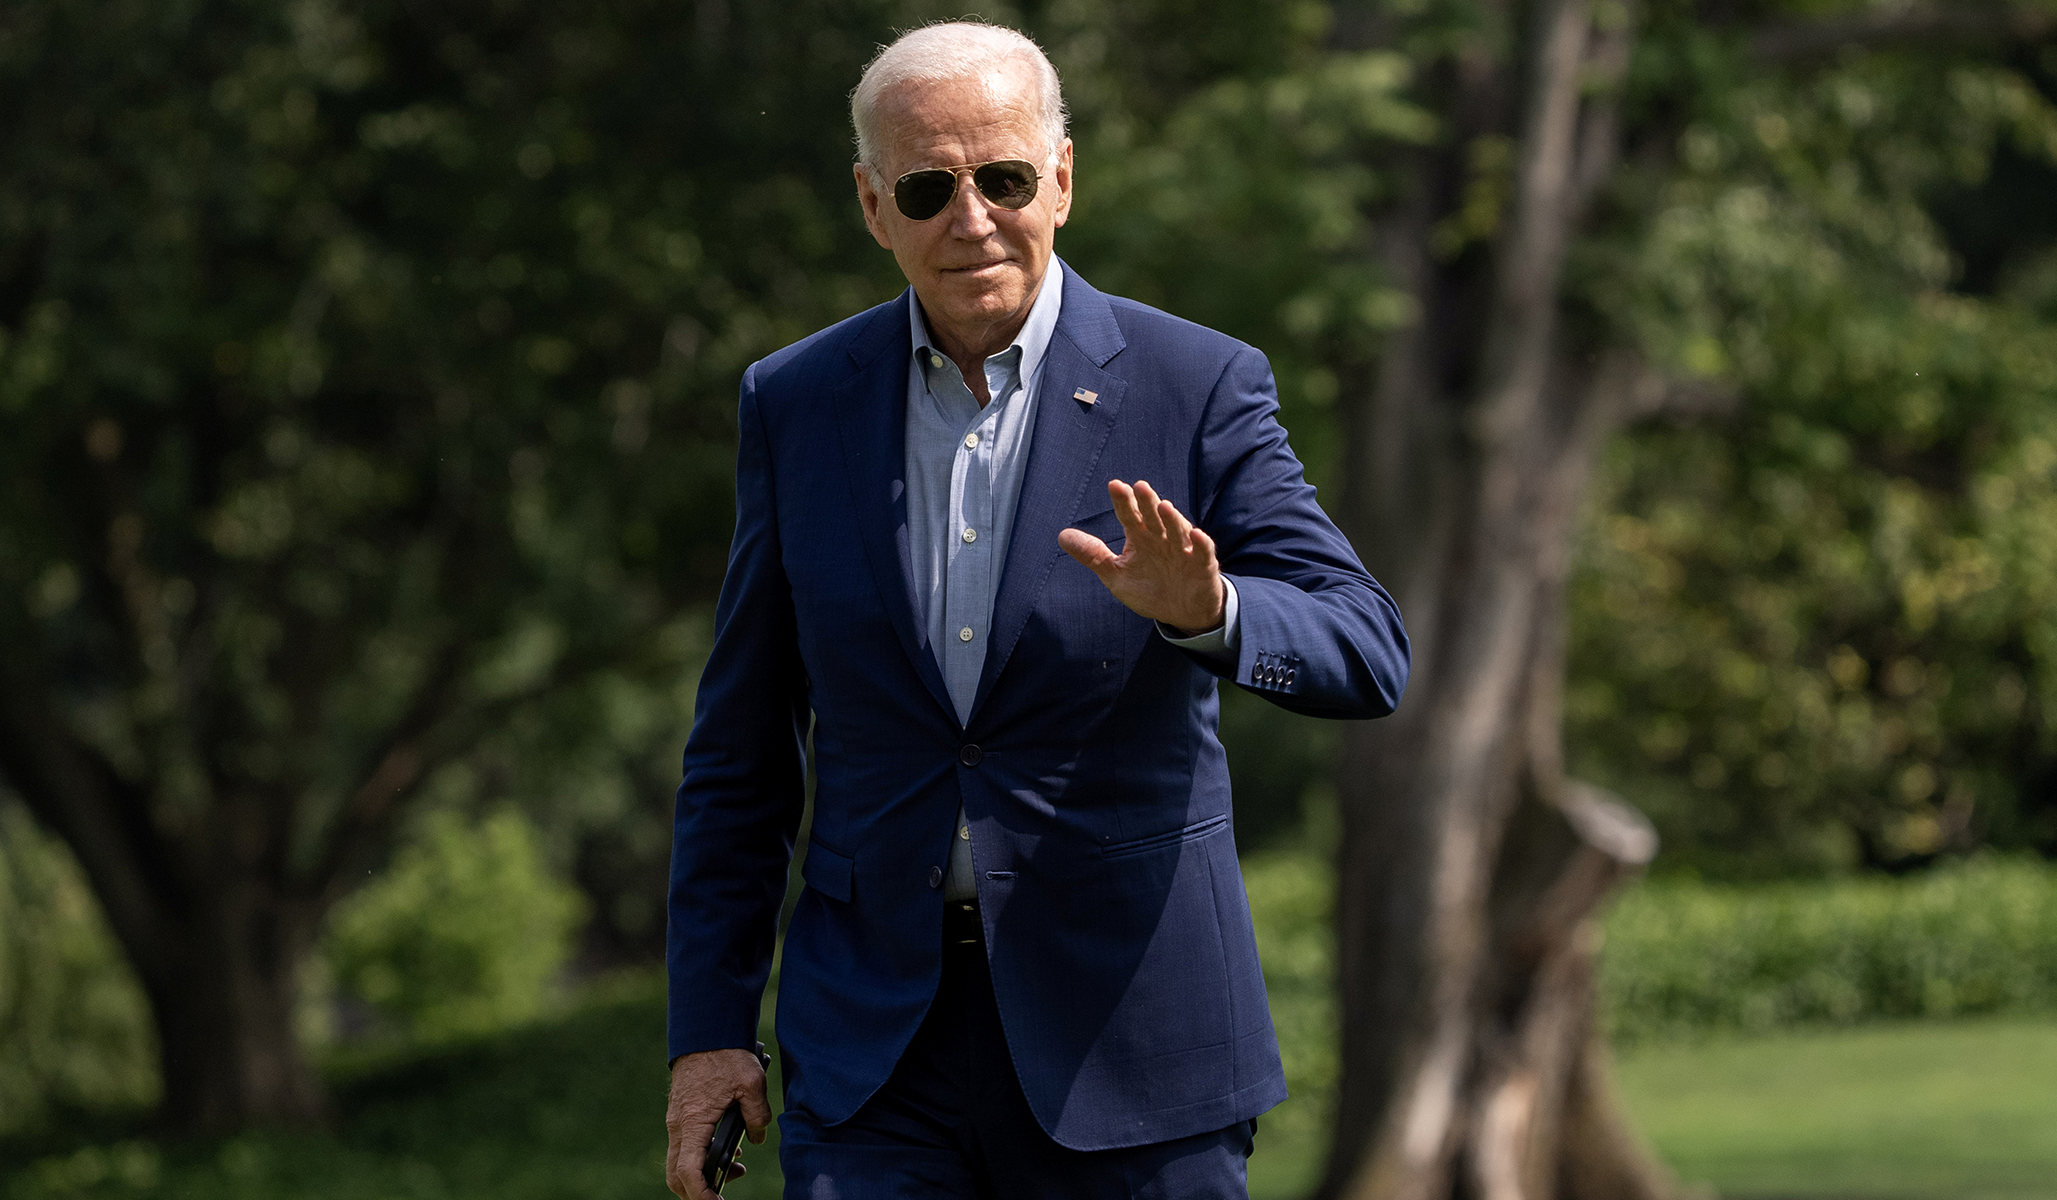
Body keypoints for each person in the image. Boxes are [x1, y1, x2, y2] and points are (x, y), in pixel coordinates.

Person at [663, 20, 1408, 1200]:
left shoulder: (1197, 383)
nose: (970, 219)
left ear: (1060, 179)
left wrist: (1211, 611)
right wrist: (709, 1031)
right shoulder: (794, 401)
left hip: (1134, 1045)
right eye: (926, 188)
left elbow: (1365, 649)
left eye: (1002, 179)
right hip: (872, 1061)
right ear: (872, 205)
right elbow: (739, 755)